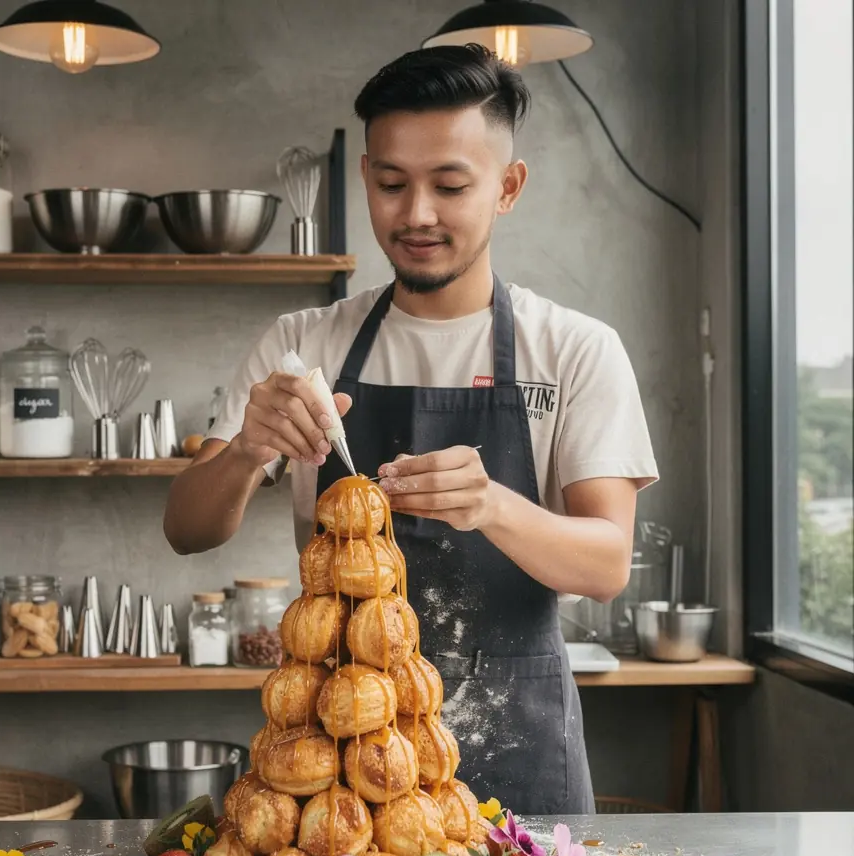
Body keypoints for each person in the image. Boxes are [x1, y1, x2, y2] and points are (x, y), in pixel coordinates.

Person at [164, 44, 658, 815]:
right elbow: (186, 530)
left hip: (518, 762)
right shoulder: (305, 347)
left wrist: (491, 505)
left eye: (450, 185)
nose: (416, 214)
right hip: (341, 781)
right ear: (367, 179)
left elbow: (605, 564)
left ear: (508, 188)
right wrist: (248, 451)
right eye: (392, 184)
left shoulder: (573, 349)